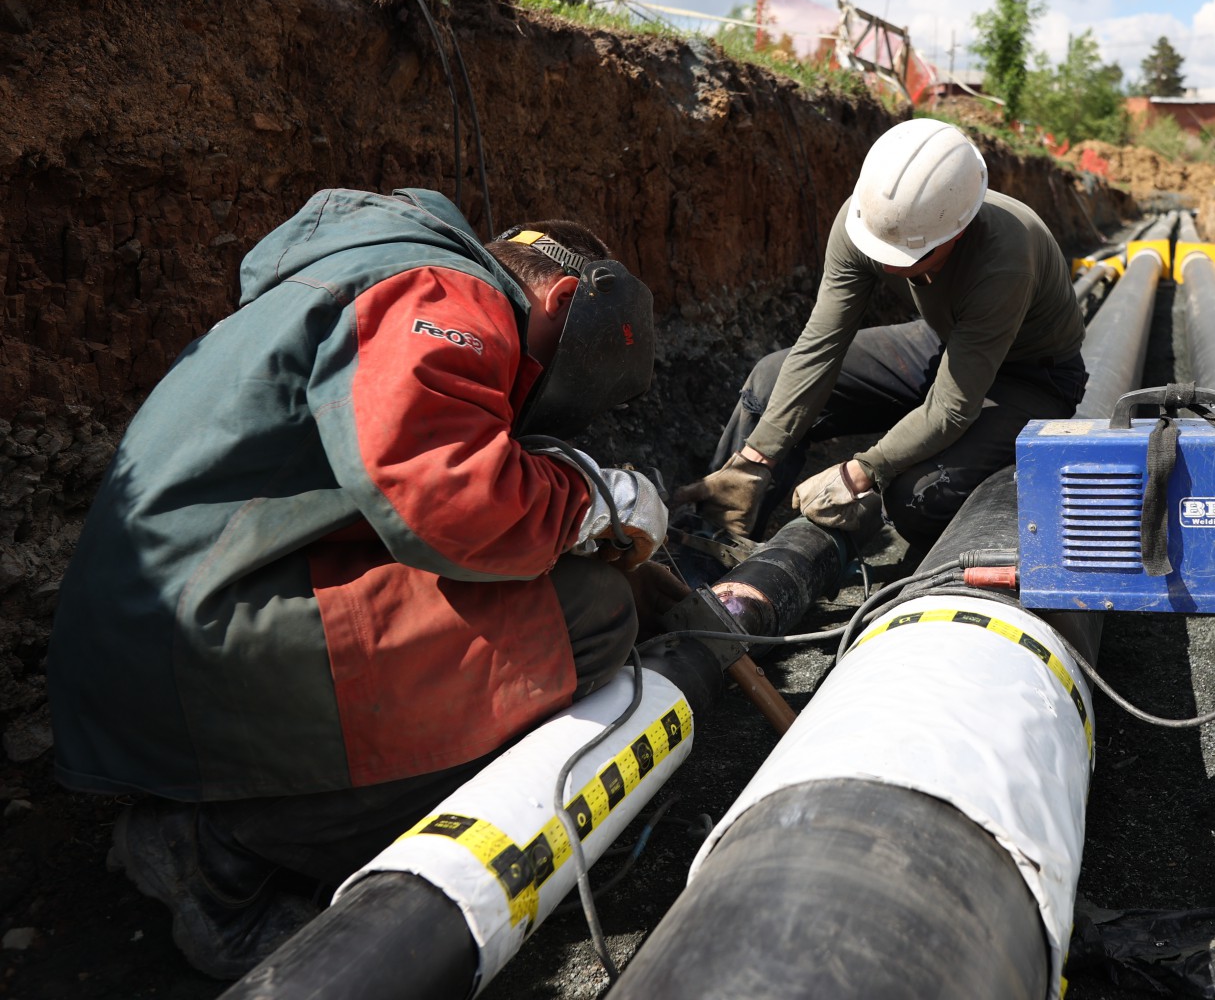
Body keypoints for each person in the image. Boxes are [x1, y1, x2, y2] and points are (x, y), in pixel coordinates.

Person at [49, 188, 678, 978]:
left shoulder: (363, 269)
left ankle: (236, 813)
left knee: (566, 599)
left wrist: (573, 519)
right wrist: (593, 500)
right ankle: (217, 855)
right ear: (554, 298)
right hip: (193, 641)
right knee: (587, 619)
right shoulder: (446, 293)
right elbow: (450, 496)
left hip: (160, 630)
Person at [677, 119, 1087, 549]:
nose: (892, 265)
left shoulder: (1004, 255)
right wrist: (756, 458)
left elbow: (951, 408)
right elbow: (820, 346)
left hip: (1032, 376)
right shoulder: (867, 219)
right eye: (882, 251)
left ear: (959, 230)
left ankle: (887, 550)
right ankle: (717, 550)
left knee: (917, 496)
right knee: (770, 382)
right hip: (947, 341)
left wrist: (862, 471)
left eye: (913, 256)